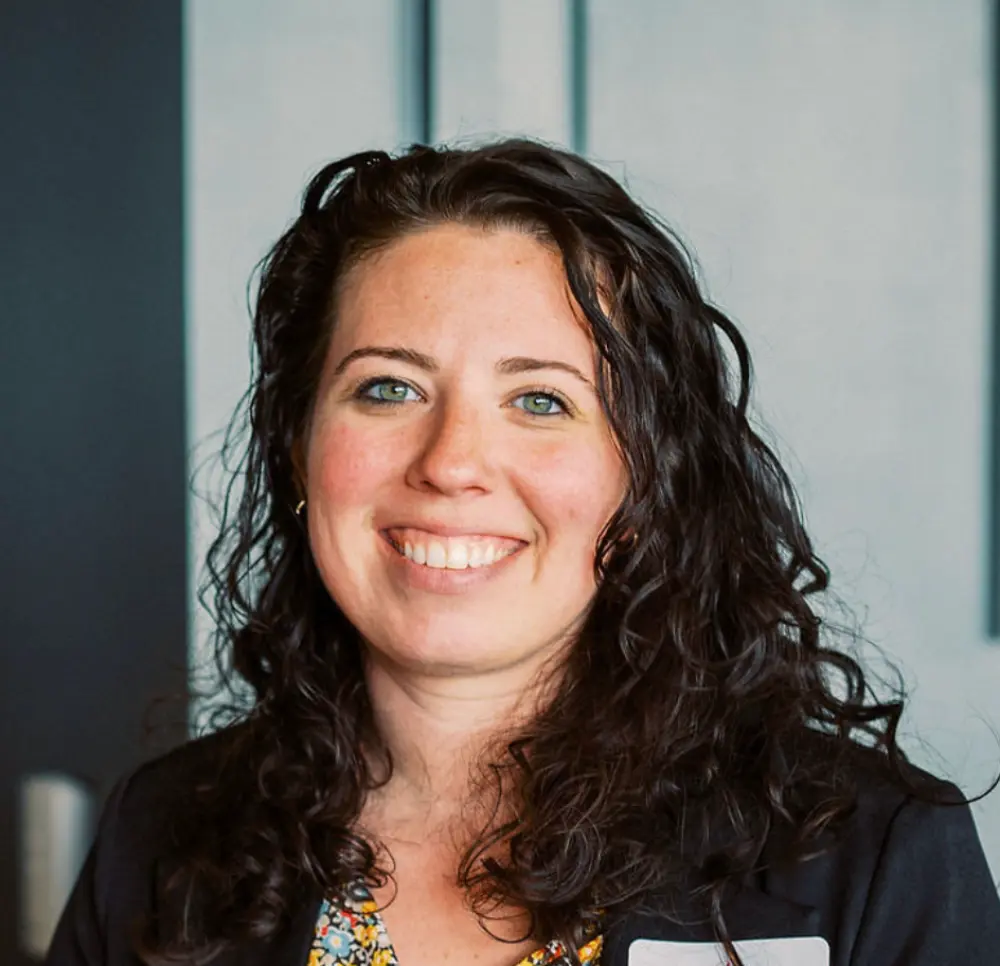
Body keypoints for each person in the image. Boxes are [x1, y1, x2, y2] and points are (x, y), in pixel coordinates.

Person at [47, 139, 1000, 966]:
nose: (453, 462)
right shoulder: (161, 839)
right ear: (299, 446)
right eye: (387, 388)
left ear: (645, 477)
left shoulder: (874, 860)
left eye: (541, 400)